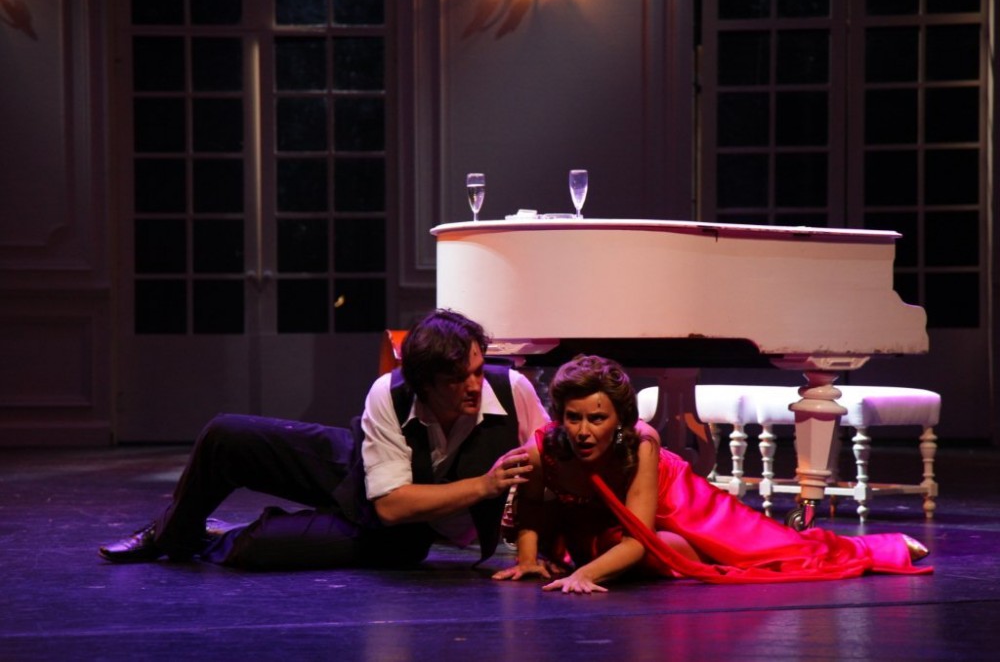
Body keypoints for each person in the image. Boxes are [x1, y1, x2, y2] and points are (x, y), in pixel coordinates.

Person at [99, 309, 549, 569]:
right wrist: (484, 485)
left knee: (257, 547)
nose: (474, 386)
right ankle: (173, 533)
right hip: (360, 469)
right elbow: (389, 496)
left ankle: (207, 537)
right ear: (424, 384)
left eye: (477, 371)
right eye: (457, 379)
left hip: (401, 531)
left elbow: (393, 513)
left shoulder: (512, 391)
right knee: (224, 434)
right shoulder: (391, 393)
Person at [492, 354, 932, 594]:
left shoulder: (641, 442)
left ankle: (877, 547)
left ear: (619, 420)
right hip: (610, 531)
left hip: (681, 505)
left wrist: (585, 575)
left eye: (597, 418)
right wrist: (527, 560)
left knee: (773, 551)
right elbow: (530, 505)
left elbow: (638, 536)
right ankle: (686, 556)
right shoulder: (544, 449)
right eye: (573, 418)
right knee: (659, 554)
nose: (583, 431)